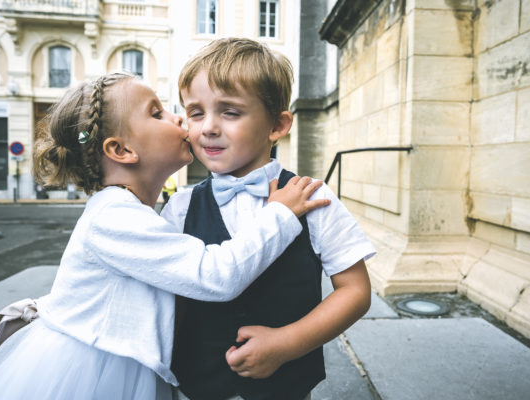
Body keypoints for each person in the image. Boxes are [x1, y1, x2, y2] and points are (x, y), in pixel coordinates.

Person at [0, 72, 330, 400]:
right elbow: (213, 275)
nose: (179, 118)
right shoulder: (113, 215)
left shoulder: (134, 210)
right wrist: (279, 214)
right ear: (122, 150)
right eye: (156, 112)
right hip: (87, 371)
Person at [161, 38, 377, 400]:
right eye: (196, 112)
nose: (208, 127)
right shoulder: (180, 207)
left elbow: (355, 292)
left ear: (277, 126)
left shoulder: (315, 197)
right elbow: (168, 298)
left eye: (230, 112)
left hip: (287, 388)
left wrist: (286, 343)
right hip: (197, 386)